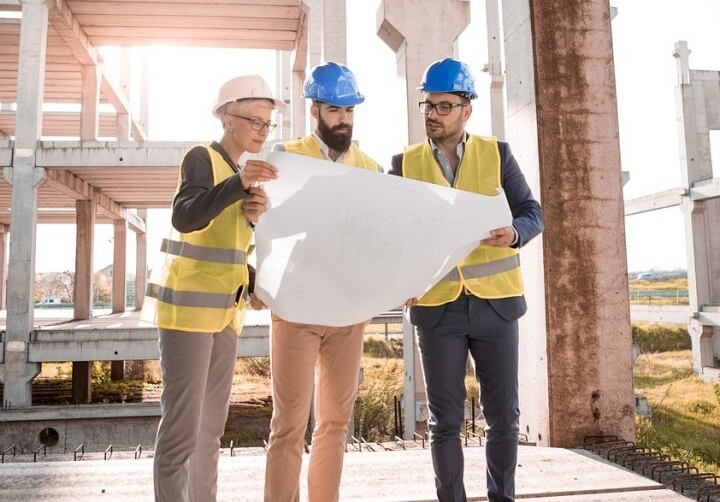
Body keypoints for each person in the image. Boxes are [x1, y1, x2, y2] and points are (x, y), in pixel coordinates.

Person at [389, 58, 544, 502]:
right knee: (445, 422)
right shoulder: (404, 162)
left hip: (496, 304)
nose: (432, 114)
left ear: (466, 110)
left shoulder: (497, 155)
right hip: (437, 309)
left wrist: (514, 233)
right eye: (428, 105)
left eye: (443, 105)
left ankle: (503, 498)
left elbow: (533, 214)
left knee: (502, 417)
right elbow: (388, 232)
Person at [143, 74, 284, 502]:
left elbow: (231, 250)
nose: (262, 130)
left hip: (225, 316)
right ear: (227, 117)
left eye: (268, 123)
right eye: (255, 121)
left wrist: (254, 219)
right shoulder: (202, 157)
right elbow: (185, 217)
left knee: (209, 431)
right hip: (187, 316)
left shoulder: (243, 177)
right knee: (182, 431)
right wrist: (238, 186)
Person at [263, 62, 382, 502]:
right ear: (316, 110)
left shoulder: (369, 167)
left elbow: (379, 236)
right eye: (335, 109)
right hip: (297, 308)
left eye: (350, 109)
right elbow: (266, 227)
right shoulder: (286, 157)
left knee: (334, 424)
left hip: (348, 311)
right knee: (288, 425)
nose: (344, 119)